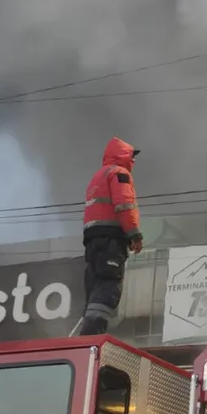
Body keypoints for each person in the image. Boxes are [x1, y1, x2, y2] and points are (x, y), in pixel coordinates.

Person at [78, 137, 143, 336]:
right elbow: (124, 204)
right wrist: (134, 234)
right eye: (132, 157)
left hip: (93, 240)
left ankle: (86, 334)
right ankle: (92, 336)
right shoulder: (119, 174)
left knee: (95, 287)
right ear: (123, 156)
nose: (134, 161)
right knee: (108, 287)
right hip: (111, 240)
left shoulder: (97, 177)